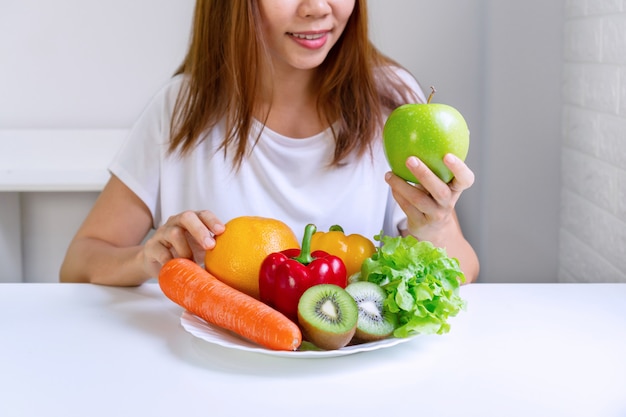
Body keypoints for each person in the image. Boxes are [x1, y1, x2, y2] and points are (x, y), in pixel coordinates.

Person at [60, 0, 479, 286]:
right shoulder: (183, 108)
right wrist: (145, 259)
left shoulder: (390, 99)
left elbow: (465, 271)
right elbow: (80, 262)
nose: (317, 7)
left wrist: (435, 225)